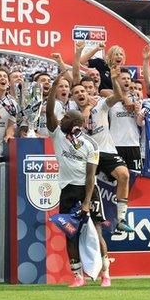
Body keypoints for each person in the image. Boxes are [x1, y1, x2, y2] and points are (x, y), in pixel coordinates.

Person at [45, 71, 109, 288]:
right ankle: (77, 276)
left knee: (96, 231)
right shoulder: (58, 134)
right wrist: (54, 86)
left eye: (65, 118)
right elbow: (48, 114)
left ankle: (105, 274)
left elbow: (91, 176)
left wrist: (87, 202)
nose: (61, 119)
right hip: (67, 191)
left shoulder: (91, 145)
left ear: (74, 122)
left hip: (86, 191)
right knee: (70, 234)